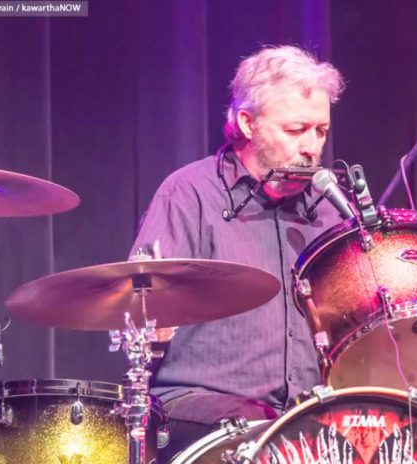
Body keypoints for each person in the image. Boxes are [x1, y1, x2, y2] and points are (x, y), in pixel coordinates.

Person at [129, 45, 345, 461]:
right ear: (247, 122)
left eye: (320, 131)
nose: (311, 148)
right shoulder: (189, 192)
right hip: (199, 406)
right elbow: (140, 310)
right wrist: (152, 321)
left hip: (304, 413)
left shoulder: (328, 208)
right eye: (296, 129)